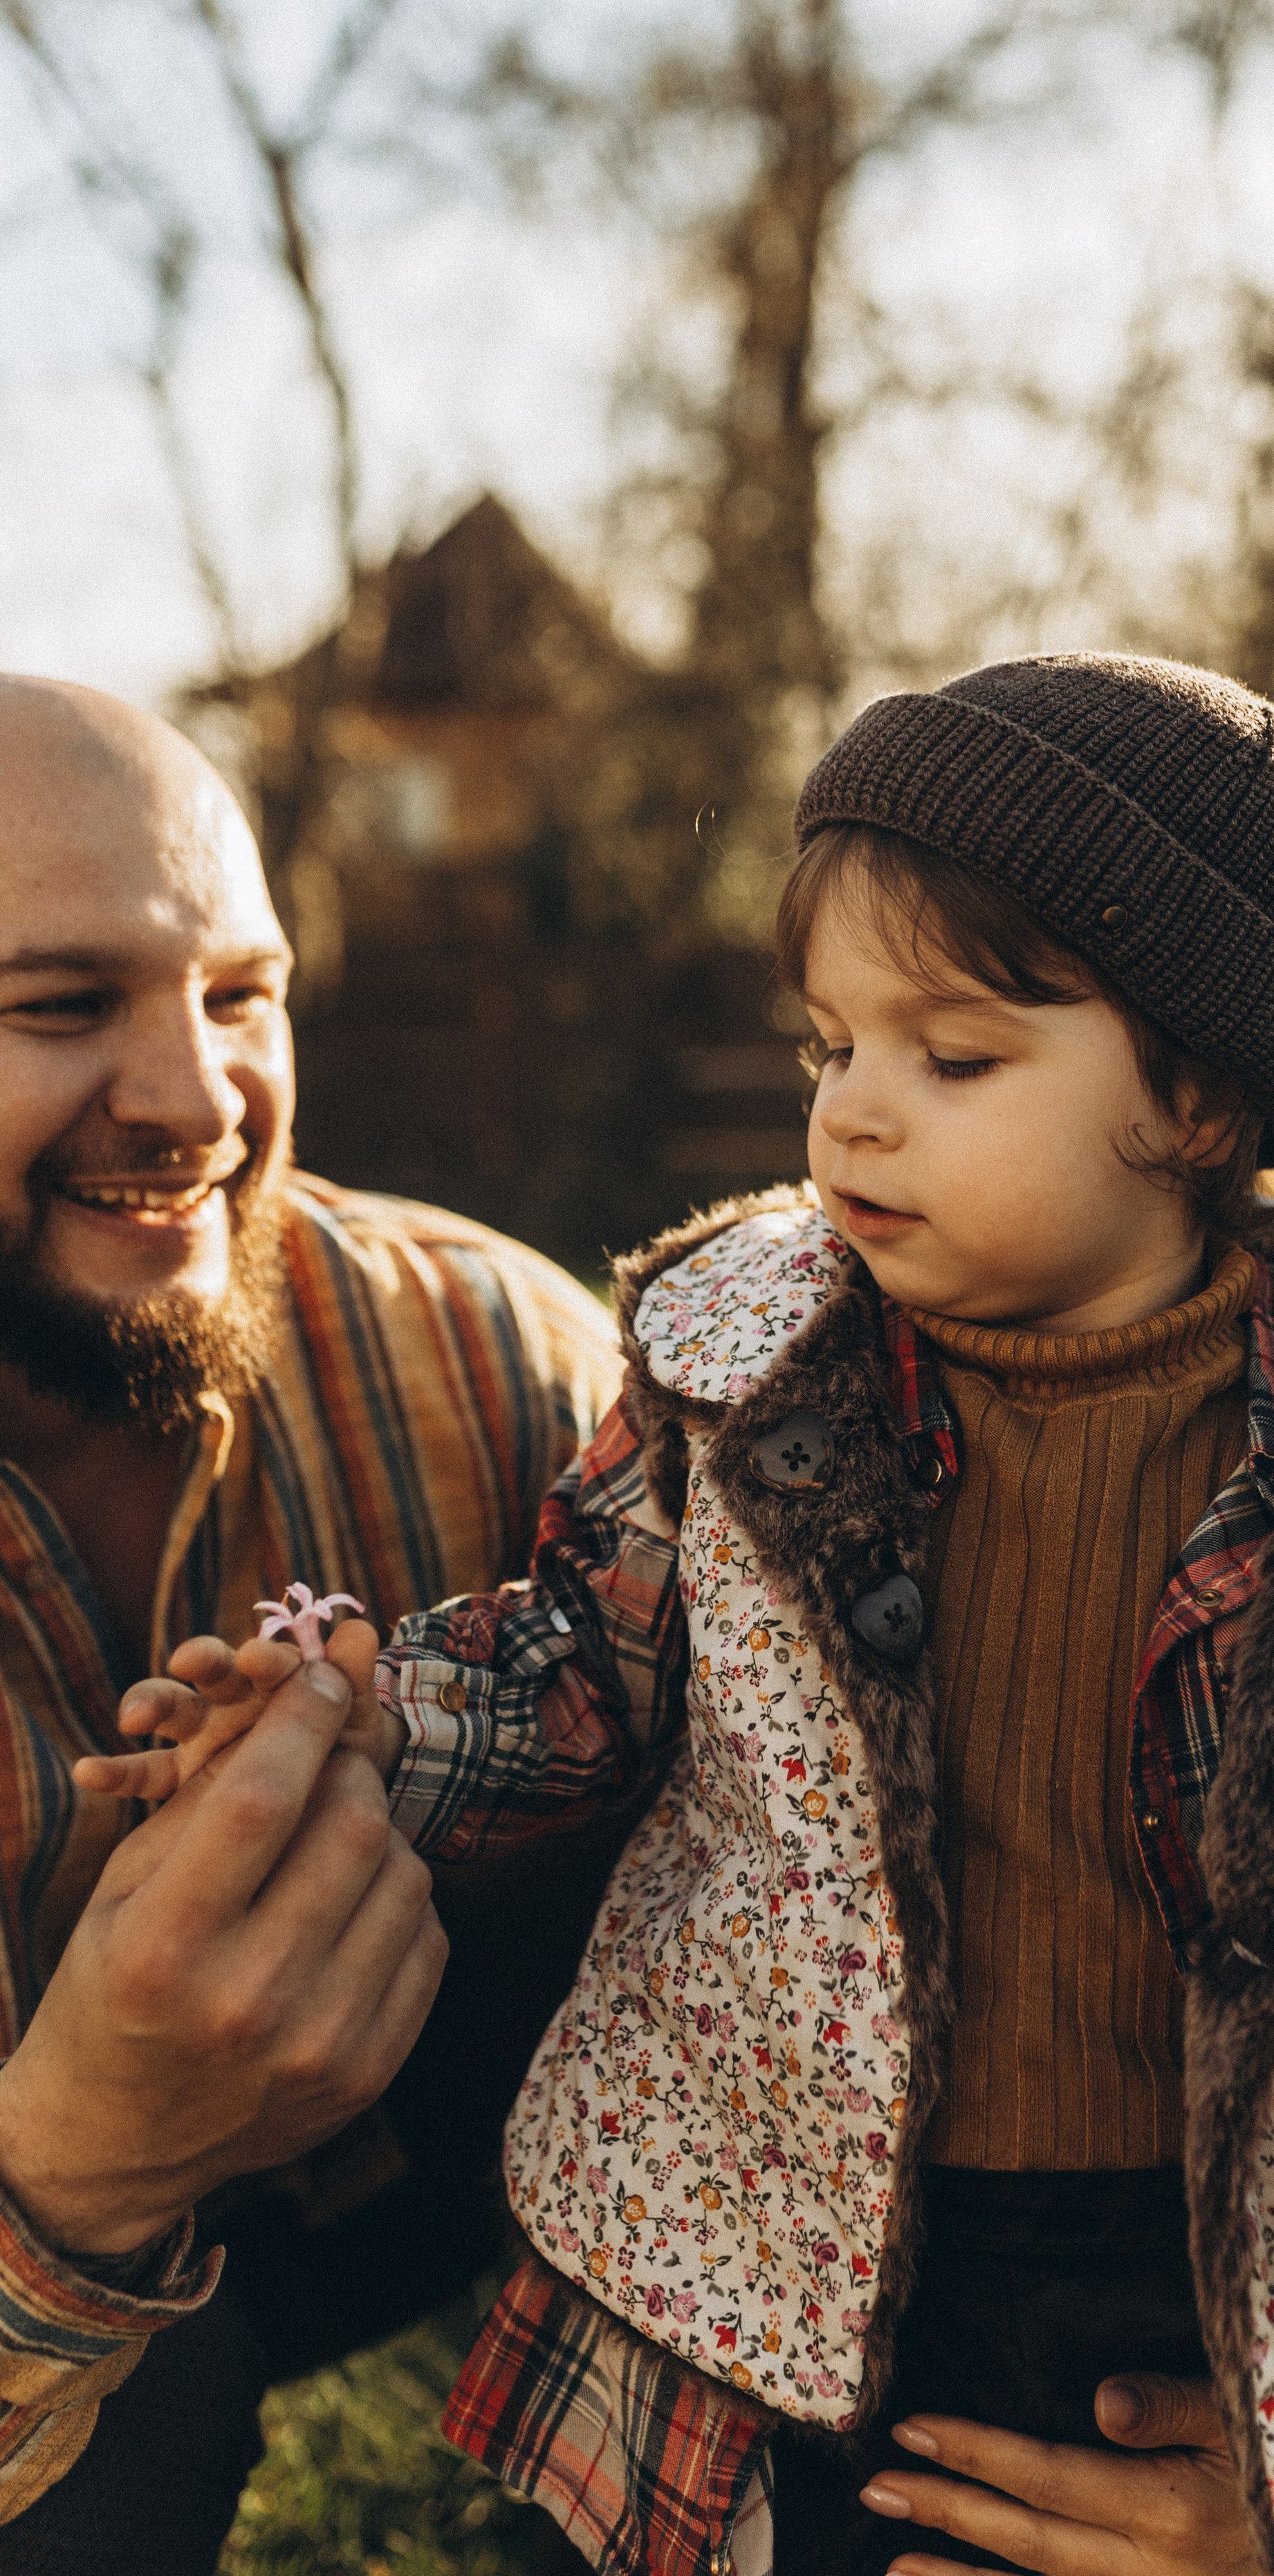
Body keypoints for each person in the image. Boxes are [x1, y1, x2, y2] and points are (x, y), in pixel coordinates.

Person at [120, 654, 1274, 2576]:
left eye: (951, 1061)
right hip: (795, 2215)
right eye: (828, 1048)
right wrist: (358, 1713)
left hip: (1241, 2260)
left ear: (1195, 1098)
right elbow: (575, 1674)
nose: (853, 1119)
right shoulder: (752, 1378)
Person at [0, 676, 622, 2569]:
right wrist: (87, 2161)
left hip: (489, 2164)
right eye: (56, 1004)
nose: (196, 1099)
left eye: (240, 991)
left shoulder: (502, 1356)